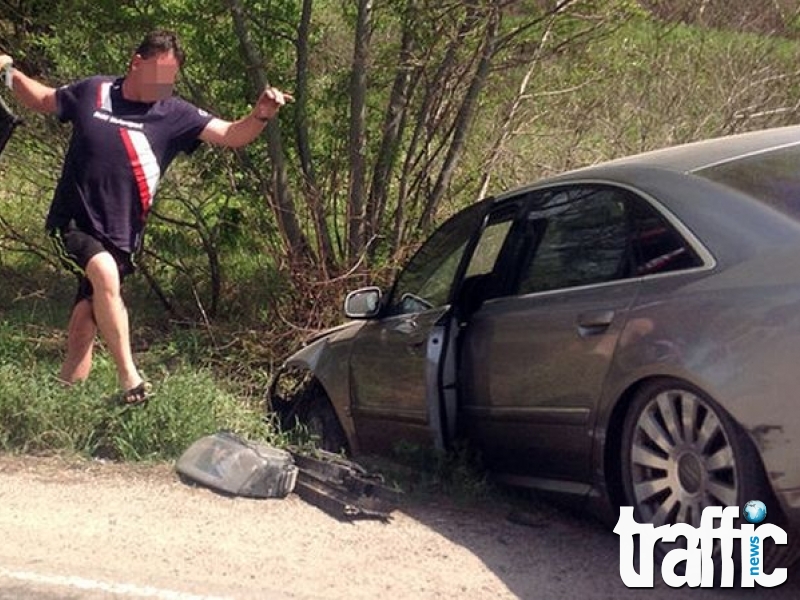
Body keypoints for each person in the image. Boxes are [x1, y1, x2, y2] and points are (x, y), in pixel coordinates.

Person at [0, 30, 291, 405]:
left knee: (86, 321)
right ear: (136, 63)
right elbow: (41, 98)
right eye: (160, 74)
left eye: (171, 77)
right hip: (72, 221)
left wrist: (261, 114)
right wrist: (7, 70)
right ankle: (130, 377)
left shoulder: (175, 114)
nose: (165, 84)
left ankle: (63, 408)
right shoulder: (95, 90)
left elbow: (232, 134)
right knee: (102, 273)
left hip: (121, 234)